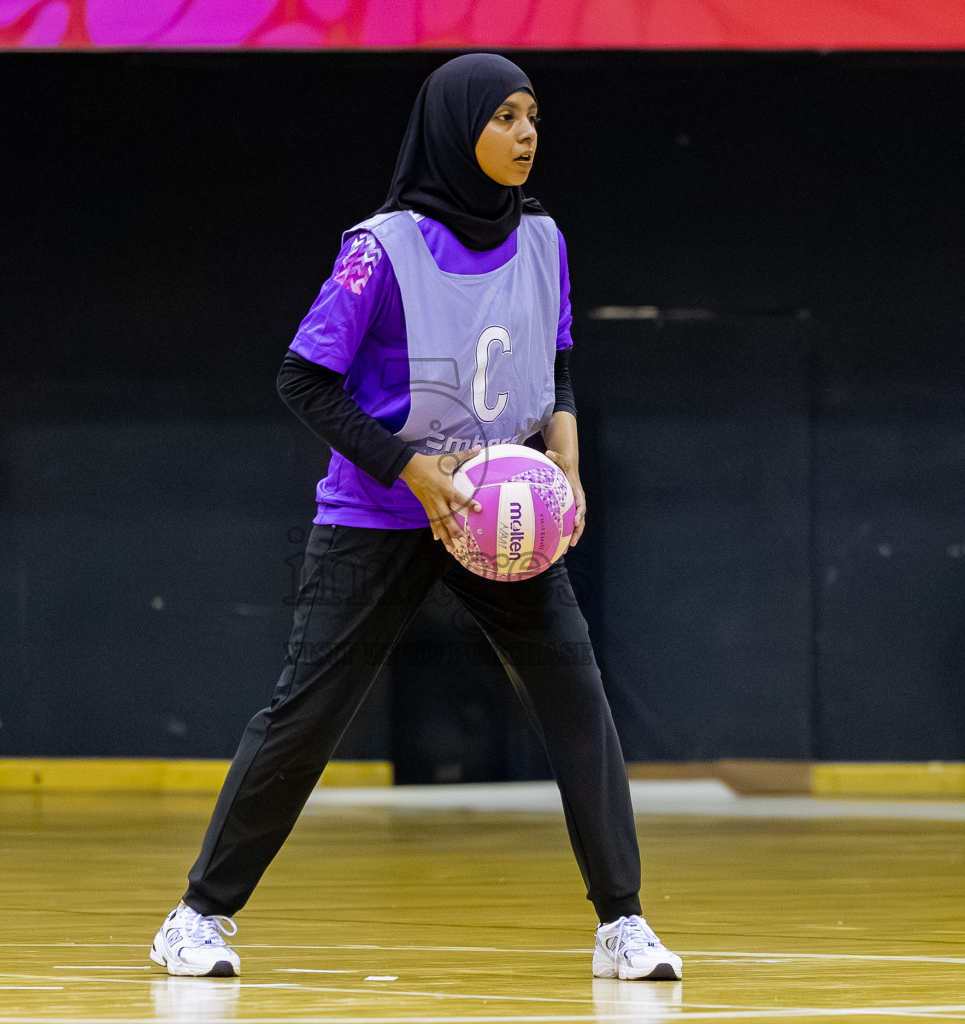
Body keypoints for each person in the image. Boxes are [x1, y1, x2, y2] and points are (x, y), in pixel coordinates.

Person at [149, 54, 680, 983]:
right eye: (506, 118)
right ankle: (195, 916)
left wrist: (567, 454)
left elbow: (556, 359)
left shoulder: (546, 239)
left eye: (533, 118)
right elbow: (301, 378)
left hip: (503, 518)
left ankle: (623, 925)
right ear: (454, 129)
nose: (526, 135)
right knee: (307, 714)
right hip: (379, 513)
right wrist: (410, 469)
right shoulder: (379, 249)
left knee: (577, 705)